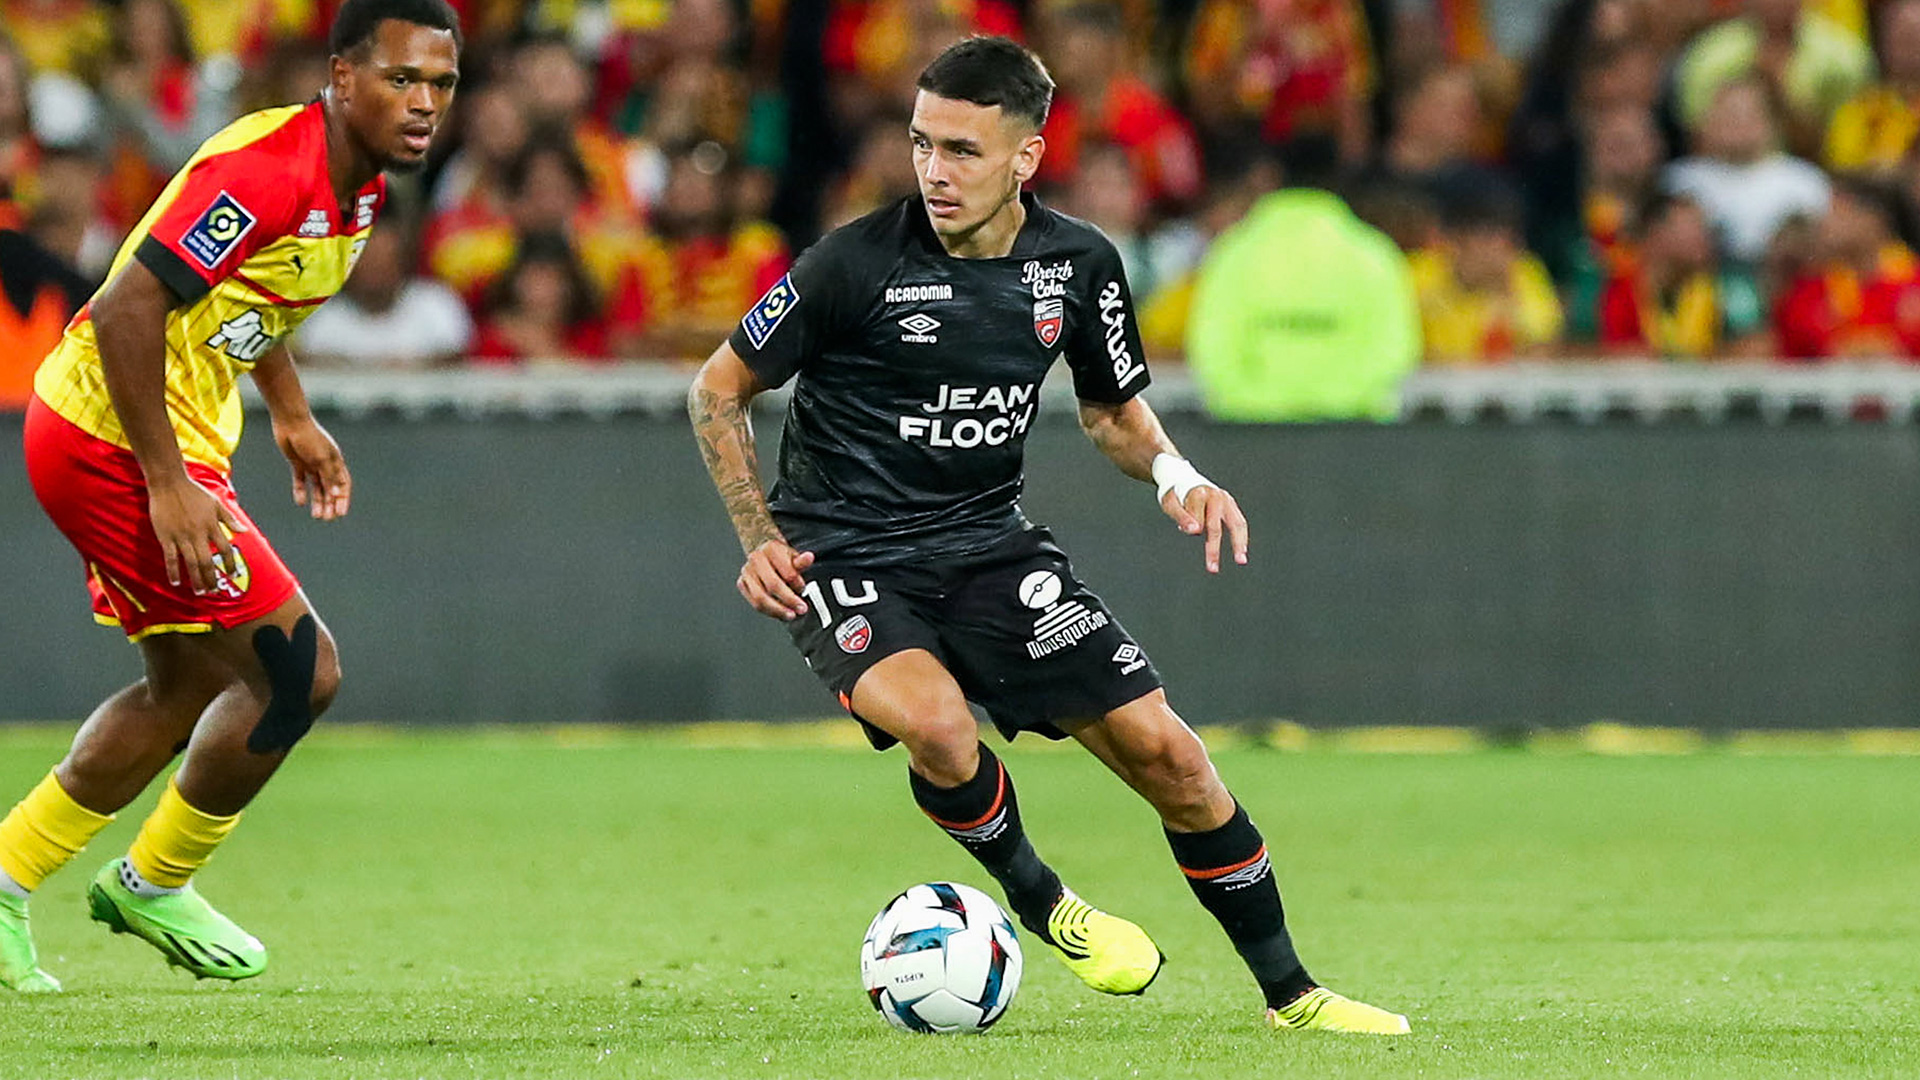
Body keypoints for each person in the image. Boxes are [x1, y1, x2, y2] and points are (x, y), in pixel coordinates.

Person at [688, 36, 1408, 1035]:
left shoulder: (1079, 265)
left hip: (988, 543)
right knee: (940, 728)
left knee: (1172, 757)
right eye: (922, 143)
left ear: (1025, 157)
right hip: (844, 553)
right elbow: (717, 388)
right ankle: (1047, 904)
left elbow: (1111, 412)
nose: (934, 171)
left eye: (962, 150)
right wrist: (758, 536)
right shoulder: (852, 264)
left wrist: (1177, 474)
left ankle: (1295, 997)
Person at [0, 0, 460, 993]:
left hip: (142, 436)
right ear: (343, 78)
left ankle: (7, 878)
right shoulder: (266, 172)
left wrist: (290, 413)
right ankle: (154, 881)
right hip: (110, 438)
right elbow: (125, 306)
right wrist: (167, 482)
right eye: (402, 79)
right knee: (301, 672)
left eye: (441, 83)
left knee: (188, 688)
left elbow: (251, 299)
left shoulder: (358, 187)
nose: (424, 103)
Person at [1186, 136, 1420, 419]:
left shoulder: (1232, 252)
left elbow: (1213, 350)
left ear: (1272, 177)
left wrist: (1259, 405)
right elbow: (1393, 349)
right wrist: (1338, 404)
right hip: (1355, 431)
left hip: (1250, 431)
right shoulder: (1373, 254)